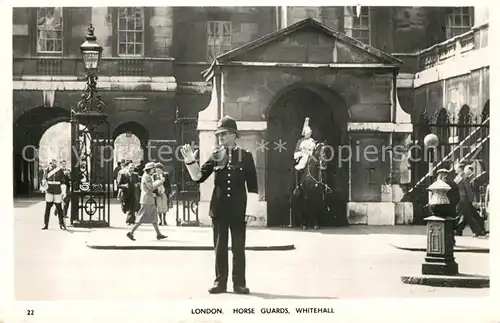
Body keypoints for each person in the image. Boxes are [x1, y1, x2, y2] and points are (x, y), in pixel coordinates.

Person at [180, 115, 258, 295]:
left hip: (239, 210)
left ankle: (239, 284)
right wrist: (191, 161)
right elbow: (199, 177)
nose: (220, 138)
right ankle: (220, 283)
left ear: (233, 135)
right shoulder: (216, 155)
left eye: (223, 134)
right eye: (219, 135)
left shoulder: (245, 156)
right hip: (219, 209)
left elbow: (253, 185)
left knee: (238, 248)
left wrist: (251, 210)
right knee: (220, 248)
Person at [126, 162, 167, 241]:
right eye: (153, 169)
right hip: (147, 200)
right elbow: (151, 188)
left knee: (154, 218)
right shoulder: (147, 177)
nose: (154, 170)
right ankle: (131, 232)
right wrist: (160, 182)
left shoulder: (147, 176)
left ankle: (158, 234)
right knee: (141, 218)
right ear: (149, 169)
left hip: (149, 199)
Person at [454, 164, 486, 237]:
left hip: (463, 199)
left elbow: (468, 190)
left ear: (460, 169)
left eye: (456, 167)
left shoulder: (465, 177)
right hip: (459, 199)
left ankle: (476, 231)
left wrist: (471, 201)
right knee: (465, 216)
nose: (455, 169)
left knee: (462, 215)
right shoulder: (458, 176)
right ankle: (460, 230)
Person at [41, 159, 67, 230]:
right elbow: (44, 179)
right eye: (52, 161)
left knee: (59, 208)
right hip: (49, 190)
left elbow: (63, 181)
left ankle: (61, 224)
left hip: (57, 190)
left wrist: (63, 191)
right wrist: (44, 185)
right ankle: (45, 224)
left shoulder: (60, 170)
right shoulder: (47, 170)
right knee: (47, 208)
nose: (53, 162)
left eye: (55, 161)